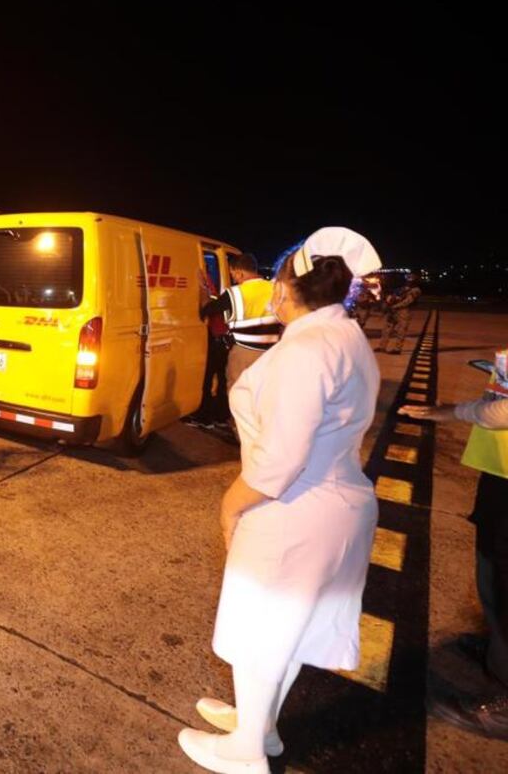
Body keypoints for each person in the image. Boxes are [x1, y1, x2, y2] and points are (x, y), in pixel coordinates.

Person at [178, 228, 384, 774]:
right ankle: (259, 724)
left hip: (296, 506)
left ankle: (245, 751)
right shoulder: (342, 336)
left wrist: (231, 504)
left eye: (278, 279)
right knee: (283, 630)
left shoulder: (309, 349)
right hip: (328, 500)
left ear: (287, 290)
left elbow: (281, 459)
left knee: (260, 630)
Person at [401, 350, 508, 739]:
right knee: (492, 573)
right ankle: (499, 651)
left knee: (502, 578)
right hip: (500, 474)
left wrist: (456, 412)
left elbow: (501, 413)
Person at [200, 254, 281, 391]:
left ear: (240, 272)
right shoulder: (275, 288)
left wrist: (203, 290)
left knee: (239, 393)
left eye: (233, 274)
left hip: (244, 353)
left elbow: (207, 310)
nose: (233, 278)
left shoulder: (236, 292)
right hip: (272, 353)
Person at [189, 269, 232, 428]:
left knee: (208, 378)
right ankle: (221, 417)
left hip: (217, 337)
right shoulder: (213, 285)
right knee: (221, 379)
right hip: (226, 338)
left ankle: (205, 417)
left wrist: (202, 290)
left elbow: (207, 308)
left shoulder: (207, 285)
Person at [379, 273, 422, 354]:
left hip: (404, 311)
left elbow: (407, 301)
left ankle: (397, 349)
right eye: (408, 278)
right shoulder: (404, 288)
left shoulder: (416, 290)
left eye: (411, 279)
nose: (409, 280)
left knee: (401, 330)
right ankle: (382, 346)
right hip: (394, 310)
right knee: (386, 329)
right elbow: (393, 296)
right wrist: (389, 301)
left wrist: (395, 306)